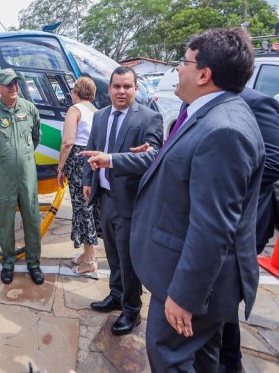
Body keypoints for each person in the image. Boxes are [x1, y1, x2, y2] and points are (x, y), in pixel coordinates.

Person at [83, 28, 264, 372]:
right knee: (204, 358)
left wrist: (185, 295)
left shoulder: (223, 129)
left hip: (193, 287)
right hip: (190, 277)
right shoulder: (205, 114)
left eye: (184, 62)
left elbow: (213, 228)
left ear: (204, 74)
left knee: (169, 357)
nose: (178, 70)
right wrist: (122, 159)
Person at [83, 66, 163, 336]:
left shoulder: (149, 118)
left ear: (136, 88)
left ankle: (132, 310)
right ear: (109, 88)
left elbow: (151, 158)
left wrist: (113, 160)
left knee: (129, 261)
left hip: (129, 203)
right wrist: (87, 181)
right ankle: (115, 295)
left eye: (127, 86)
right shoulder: (101, 116)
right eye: (116, 86)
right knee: (113, 255)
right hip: (104, 199)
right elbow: (92, 149)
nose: (121, 91)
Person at [218, 87, 279, 373]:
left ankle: (230, 363)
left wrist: (218, 187)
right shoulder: (195, 101)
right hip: (211, 220)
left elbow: (274, 161)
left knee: (226, 294)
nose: (181, 69)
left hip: (245, 222)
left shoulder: (257, 103)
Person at [0, 68, 44, 285]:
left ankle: (33, 263)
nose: (13, 87)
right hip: (3, 177)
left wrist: (21, 157)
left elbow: (35, 138)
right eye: (8, 84)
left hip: (27, 176)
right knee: (5, 222)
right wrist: (6, 158)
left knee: (32, 221)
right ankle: (8, 263)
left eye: (15, 83)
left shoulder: (29, 109)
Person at [56, 77, 100, 278]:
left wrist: (60, 167)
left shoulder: (75, 110)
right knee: (88, 207)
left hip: (78, 161)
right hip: (93, 161)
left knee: (82, 210)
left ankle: (90, 260)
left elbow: (68, 142)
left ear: (75, 92)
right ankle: (86, 253)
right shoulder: (95, 110)